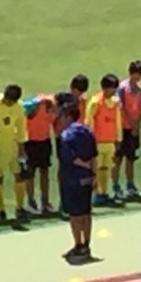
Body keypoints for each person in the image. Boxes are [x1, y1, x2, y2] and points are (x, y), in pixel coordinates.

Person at [58, 102, 98, 264]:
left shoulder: (66, 135)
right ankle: (87, 245)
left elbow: (69, 157)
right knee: (86, 212)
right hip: (87, 178)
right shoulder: (87, 131)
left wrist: (84, 165)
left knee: (75, 215)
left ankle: (78, 245)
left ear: (68, 116)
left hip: (71, 178)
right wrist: (93, 173)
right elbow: (94, 155)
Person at [0, 84, 29, 223]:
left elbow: (21, 128)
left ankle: (20, 207)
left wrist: (22, 149)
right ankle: (1, 210)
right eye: (7, 100)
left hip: (13, 145)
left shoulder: (19, 107)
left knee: (19, 176)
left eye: (11, 102)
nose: (8, 103)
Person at [85, 74, 122, 206]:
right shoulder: (96, 102)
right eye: (112, 88)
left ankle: (103, 193)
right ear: (105, 88)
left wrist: (118, 138)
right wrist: (90, 141)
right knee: (96, 169)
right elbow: (89, 122)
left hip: (110, 141)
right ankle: (95, 194)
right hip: (98, 142)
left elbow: (117, 122)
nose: (113, 91)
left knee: (105, 169)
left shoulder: (115, 102)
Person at [113, 60, 141, 202]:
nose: (138, 77)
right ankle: (115, 187)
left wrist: (136, 126)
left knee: (131, 158)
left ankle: (130, 186)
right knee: (118, 158)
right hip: (122, 129)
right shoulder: (122, 89)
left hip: (133, 130)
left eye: (140, 75)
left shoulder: (140, 91)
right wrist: (132, 124)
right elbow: (121, 109)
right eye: (136, 74)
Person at [22, 94, 58, 216]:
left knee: (44, 172)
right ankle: (31, 203)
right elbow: (25, 108)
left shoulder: (50, 106)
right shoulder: (31, 106)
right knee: (30, 173)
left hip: (44, 142)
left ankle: (45, 203)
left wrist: (50, 105)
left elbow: (53, 116)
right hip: (30, 142)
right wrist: (38, 103)